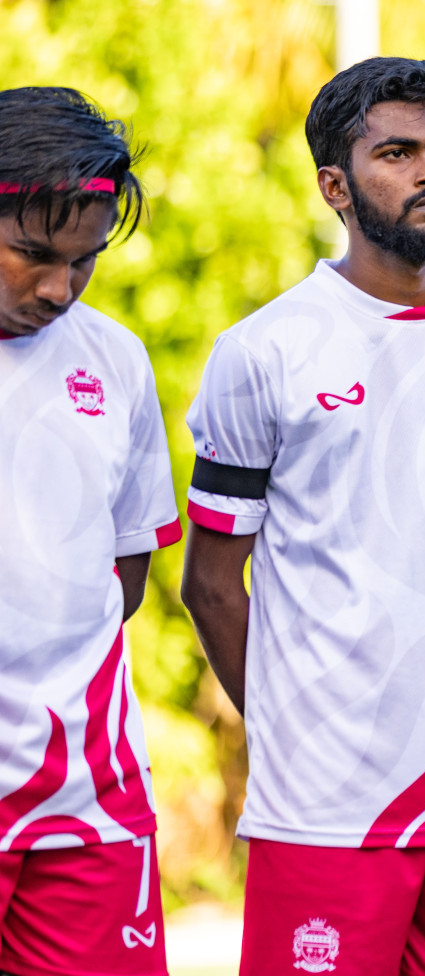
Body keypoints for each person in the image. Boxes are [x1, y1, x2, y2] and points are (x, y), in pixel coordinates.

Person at [179, 57, 425, 975]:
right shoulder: (264, 351)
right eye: (397, 152)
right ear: (335, 185)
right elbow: (210, 583)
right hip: (326, 805)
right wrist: (287, 729)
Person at [0, 87, 179, 976]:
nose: (57, 288)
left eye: (84, 262)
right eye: (31, 254)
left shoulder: (116, 361)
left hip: (89, 803)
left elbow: (127, 573)